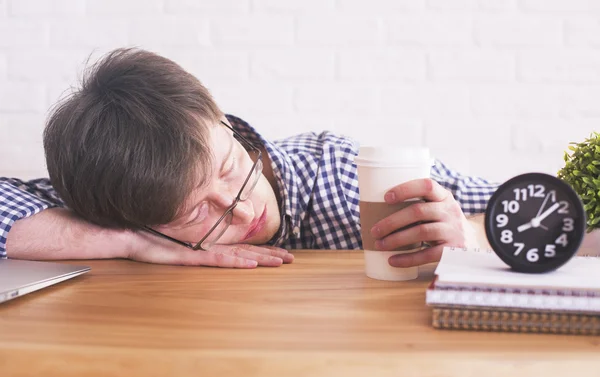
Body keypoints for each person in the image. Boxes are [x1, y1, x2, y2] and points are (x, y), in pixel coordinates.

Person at [0, 48, 501, 269]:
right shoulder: (121, 195)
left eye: (229, 169)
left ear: (225, 122)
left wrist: (474, 239)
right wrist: (131, 244)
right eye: (195, 213)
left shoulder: (343, 175)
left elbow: (569, 219)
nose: (242, 212)